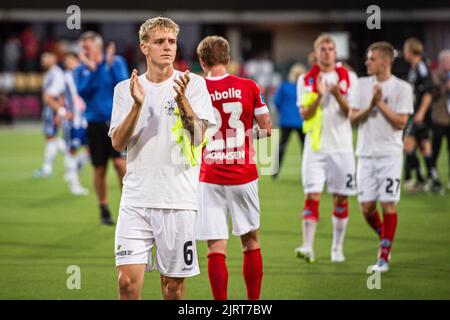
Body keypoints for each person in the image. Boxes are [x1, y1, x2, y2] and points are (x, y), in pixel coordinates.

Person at [109, 17, 215, 300]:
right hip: (135, 200)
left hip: (178, 201)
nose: (167, 47)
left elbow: (198, 137)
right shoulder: (125, 89)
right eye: (159, 42)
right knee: (127, 284)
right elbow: (118, 143)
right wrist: (137, 106)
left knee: (173, 288)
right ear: (145, 47)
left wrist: (182, 102)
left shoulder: (193, 85)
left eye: (171, 41)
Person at [196, 35, 272, 300]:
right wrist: (243, 138)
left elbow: (191, 135)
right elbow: (267, 129)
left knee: (216, 247)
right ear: (228, 59)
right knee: (251, 242)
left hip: (210, 175)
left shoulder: (197, 88)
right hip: (243, 174)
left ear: (202, 61)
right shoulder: (249, 85)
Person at [349, 42, 413, 272]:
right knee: (366, 208)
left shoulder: (402, 88)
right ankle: (385, 236)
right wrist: (371, 105)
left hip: (389, 155)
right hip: (365, 154)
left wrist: (380, 105)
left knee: (388, 204)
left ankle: (383, 256)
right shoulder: (361, 85)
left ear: (385, 61)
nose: (367, 62)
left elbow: (401, 122)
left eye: (372, 59)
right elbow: (353, 119)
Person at [295, 34, 357, 263]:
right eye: (323, 48)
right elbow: (304, 114)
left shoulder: (348, 78)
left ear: (336, 52)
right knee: (312, 195)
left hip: (342, 148)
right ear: (316, 52)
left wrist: (336, 94)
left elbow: (353, 113)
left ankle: (337, 248)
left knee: (341, 199)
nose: (327, 52)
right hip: (316, 147)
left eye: (331, 48)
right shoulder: (306, 79)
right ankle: (307, 246)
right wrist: (320, 95)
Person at [73, 32, 128, 225]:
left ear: (97, 47)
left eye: (87, 47)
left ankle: (127, 207)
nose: (84, 51)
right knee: (99, 168)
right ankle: (103, 207)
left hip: (117, 122)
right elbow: (82, 92)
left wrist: (110, 65)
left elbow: (124, 85)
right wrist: (93, 69)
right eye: (82, 48)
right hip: (95, 123)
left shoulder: (116, 62)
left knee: (121, 165)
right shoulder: (81, 70)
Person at [403, 38, 441, 193]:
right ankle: (428, 179)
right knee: (420, 146)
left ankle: (425, 179)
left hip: (420, 115)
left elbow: (428, 92)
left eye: (406, 49)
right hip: (414, 114)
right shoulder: (413, 68)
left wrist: (421, 113)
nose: (404, 53)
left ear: (411, 51)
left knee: (414, 145)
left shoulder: (421, 67)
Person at [33, 51, 67, 179]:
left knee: (51, 138)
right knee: (50, 137)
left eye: (46, 57)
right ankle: (71, 153)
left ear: (53, 59)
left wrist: (59, 111)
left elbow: (60, 94)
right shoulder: (50, 73)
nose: (43, 60)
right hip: (50, 109)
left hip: (53, 109)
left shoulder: (56, 74)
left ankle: (47, 169)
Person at [61, 50, 90, 195]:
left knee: (88, 151)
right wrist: (62, 111)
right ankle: (74, 185)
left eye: (70, 60)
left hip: (86, 120)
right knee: (72, 150)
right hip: (74, 122)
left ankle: (72, 172)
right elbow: (55, 95)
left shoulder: (83, 74)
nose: (67, 63)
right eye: (66, 60)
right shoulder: (64, 77)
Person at [272, 63, 305, 180]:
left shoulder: (284, 86)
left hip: (286, 121)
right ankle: (308, 173)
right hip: (301, 121)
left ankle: (274, 172)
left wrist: (284, 111)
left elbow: (276, 101)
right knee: (305, 149)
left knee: (282, 147)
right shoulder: (304, 88)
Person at [430, 49, 450, 191]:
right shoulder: (435, 75)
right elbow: (433, 93)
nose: (448, 63)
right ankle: (433, 177)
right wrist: (446, 87)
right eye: (446, 61)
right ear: (441, 62)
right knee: (435, 151)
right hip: (439, 118)